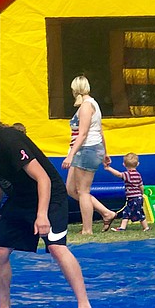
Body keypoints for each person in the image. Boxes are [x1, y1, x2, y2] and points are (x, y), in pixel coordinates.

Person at [0, 104, 95, 308]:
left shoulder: (9, 140)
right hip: (20, 198)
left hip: (48, 195)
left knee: (57, 248)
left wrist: (42, 215)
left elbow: (44, 179)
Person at [62, 75, 117, 234]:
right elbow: (99, 130)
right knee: (71, 189)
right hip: (89, 149)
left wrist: (70, 155)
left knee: (83, 191)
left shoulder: (86, 106)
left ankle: (87, 229)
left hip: (86, 150)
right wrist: (105, 152)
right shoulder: (92, 104)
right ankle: (106, 213)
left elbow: (83, 133)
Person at [104, 153, 149, 231]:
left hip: (133, 198)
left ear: (124, 164)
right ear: (138, 164)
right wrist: (142, 193)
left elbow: (118, 174)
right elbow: (141, 185)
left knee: (137, 212)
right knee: (128, 212)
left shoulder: (127, 174)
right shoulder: (138, 174)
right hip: (136, 197)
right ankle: (123, 227)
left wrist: (109, 168)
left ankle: (145, 227)